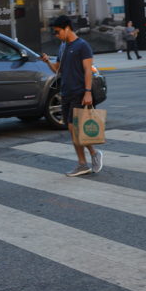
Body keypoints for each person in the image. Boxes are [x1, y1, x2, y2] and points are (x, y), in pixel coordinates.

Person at [40, 15, 102, 177]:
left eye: (58, 31)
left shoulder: (82, 46)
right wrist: (47, 62)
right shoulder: (62, 47)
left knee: (73, 128)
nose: (56, 35)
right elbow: (58, 69)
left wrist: (88, 92)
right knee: (74, 129)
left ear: (67, 28)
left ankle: (83, 163)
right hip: (65, 93)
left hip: (79, 92)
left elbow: (88, 70)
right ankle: (93, 154)